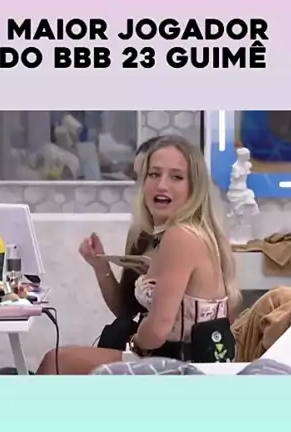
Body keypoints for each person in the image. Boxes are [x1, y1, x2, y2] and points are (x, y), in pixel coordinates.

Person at [37, 135, 239, 374]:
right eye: (154, 174)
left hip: (183, 364)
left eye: (176, 177)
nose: (162, 185)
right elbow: (127, 310)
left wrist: (132, 343)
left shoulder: (181, 237)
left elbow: (159, 330)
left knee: (56, 361)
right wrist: (99, 265)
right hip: (169, 354)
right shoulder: (153, 234)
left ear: (194, 187)